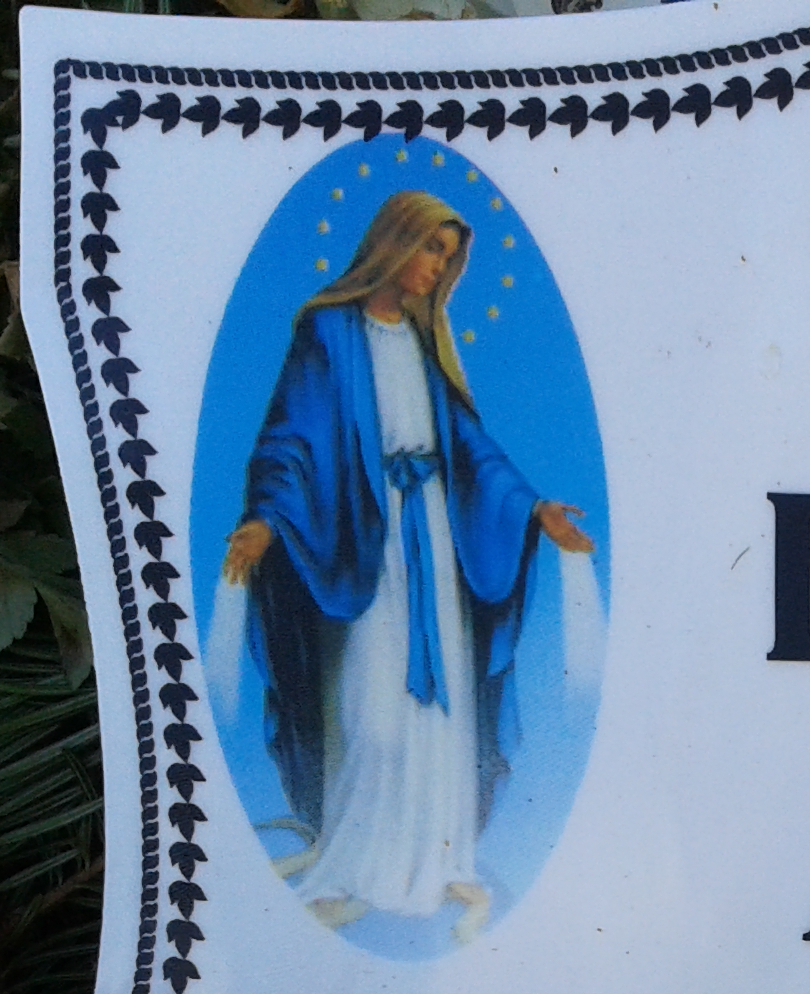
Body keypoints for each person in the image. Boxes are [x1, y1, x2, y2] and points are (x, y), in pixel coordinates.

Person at [221, 189, 594, 943]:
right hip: (365, 544)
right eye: (431, 249)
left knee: (439, 712)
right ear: (395, 242)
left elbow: (471, 451)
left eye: (447, 258)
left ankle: (437, 858)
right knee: (371, 707)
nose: (436, 269)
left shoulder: (424, 346)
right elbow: (290, 439)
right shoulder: (329, 331)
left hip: (434, 546)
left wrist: (533, 511)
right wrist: (266, 518)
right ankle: (355, 863)